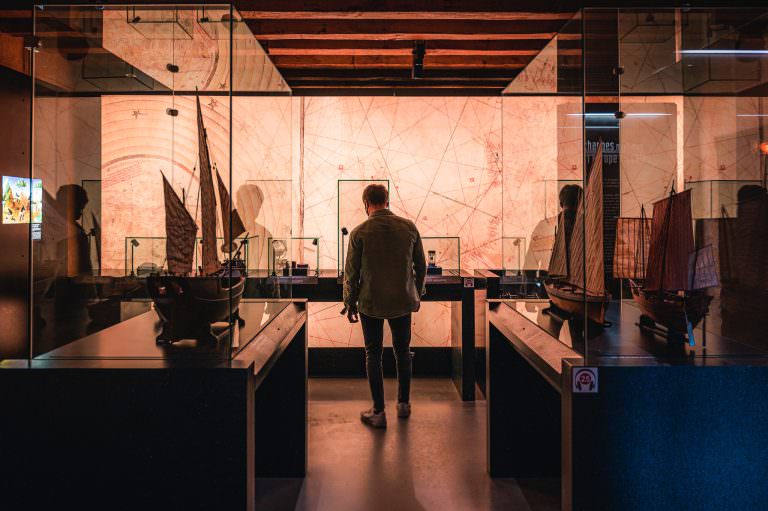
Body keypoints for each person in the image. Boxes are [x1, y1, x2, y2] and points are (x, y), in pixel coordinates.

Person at [342, 184, 427, 429]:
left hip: (371, 301)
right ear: (387, 201)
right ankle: (403, 404)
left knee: (373, 354)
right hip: (402, 301)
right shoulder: (409, 228)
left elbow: (352, 273)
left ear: (366, 203)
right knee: (403, 351)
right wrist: (417, 294)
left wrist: (349, 302)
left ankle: (378, 411)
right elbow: (421, 267)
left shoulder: (359, 232)